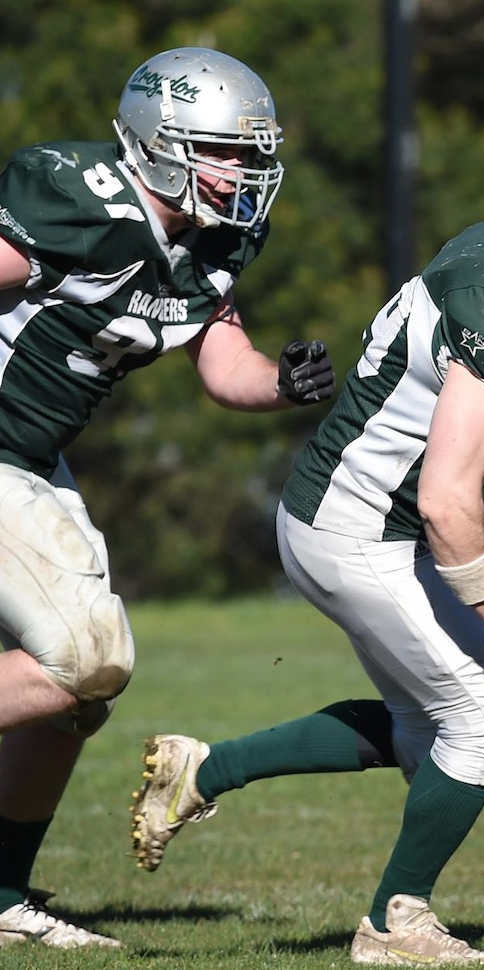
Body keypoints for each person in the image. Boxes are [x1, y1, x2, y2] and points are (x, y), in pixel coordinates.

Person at [129, 128, 484, 965]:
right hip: (357, 527)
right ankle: (396, 924)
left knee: (431, 731)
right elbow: (448, 498)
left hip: (355, 517)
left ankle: (201, 774)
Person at [0, 48, 334, 950]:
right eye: (224, 151)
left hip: (30, 459)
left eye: (250, 153)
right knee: (84, 655)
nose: (244, 173)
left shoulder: (214, 241)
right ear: (156, 144)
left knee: (76, 693)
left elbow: (223, 362)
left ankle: (1, 900)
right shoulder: (78, 200)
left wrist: (282, 384)